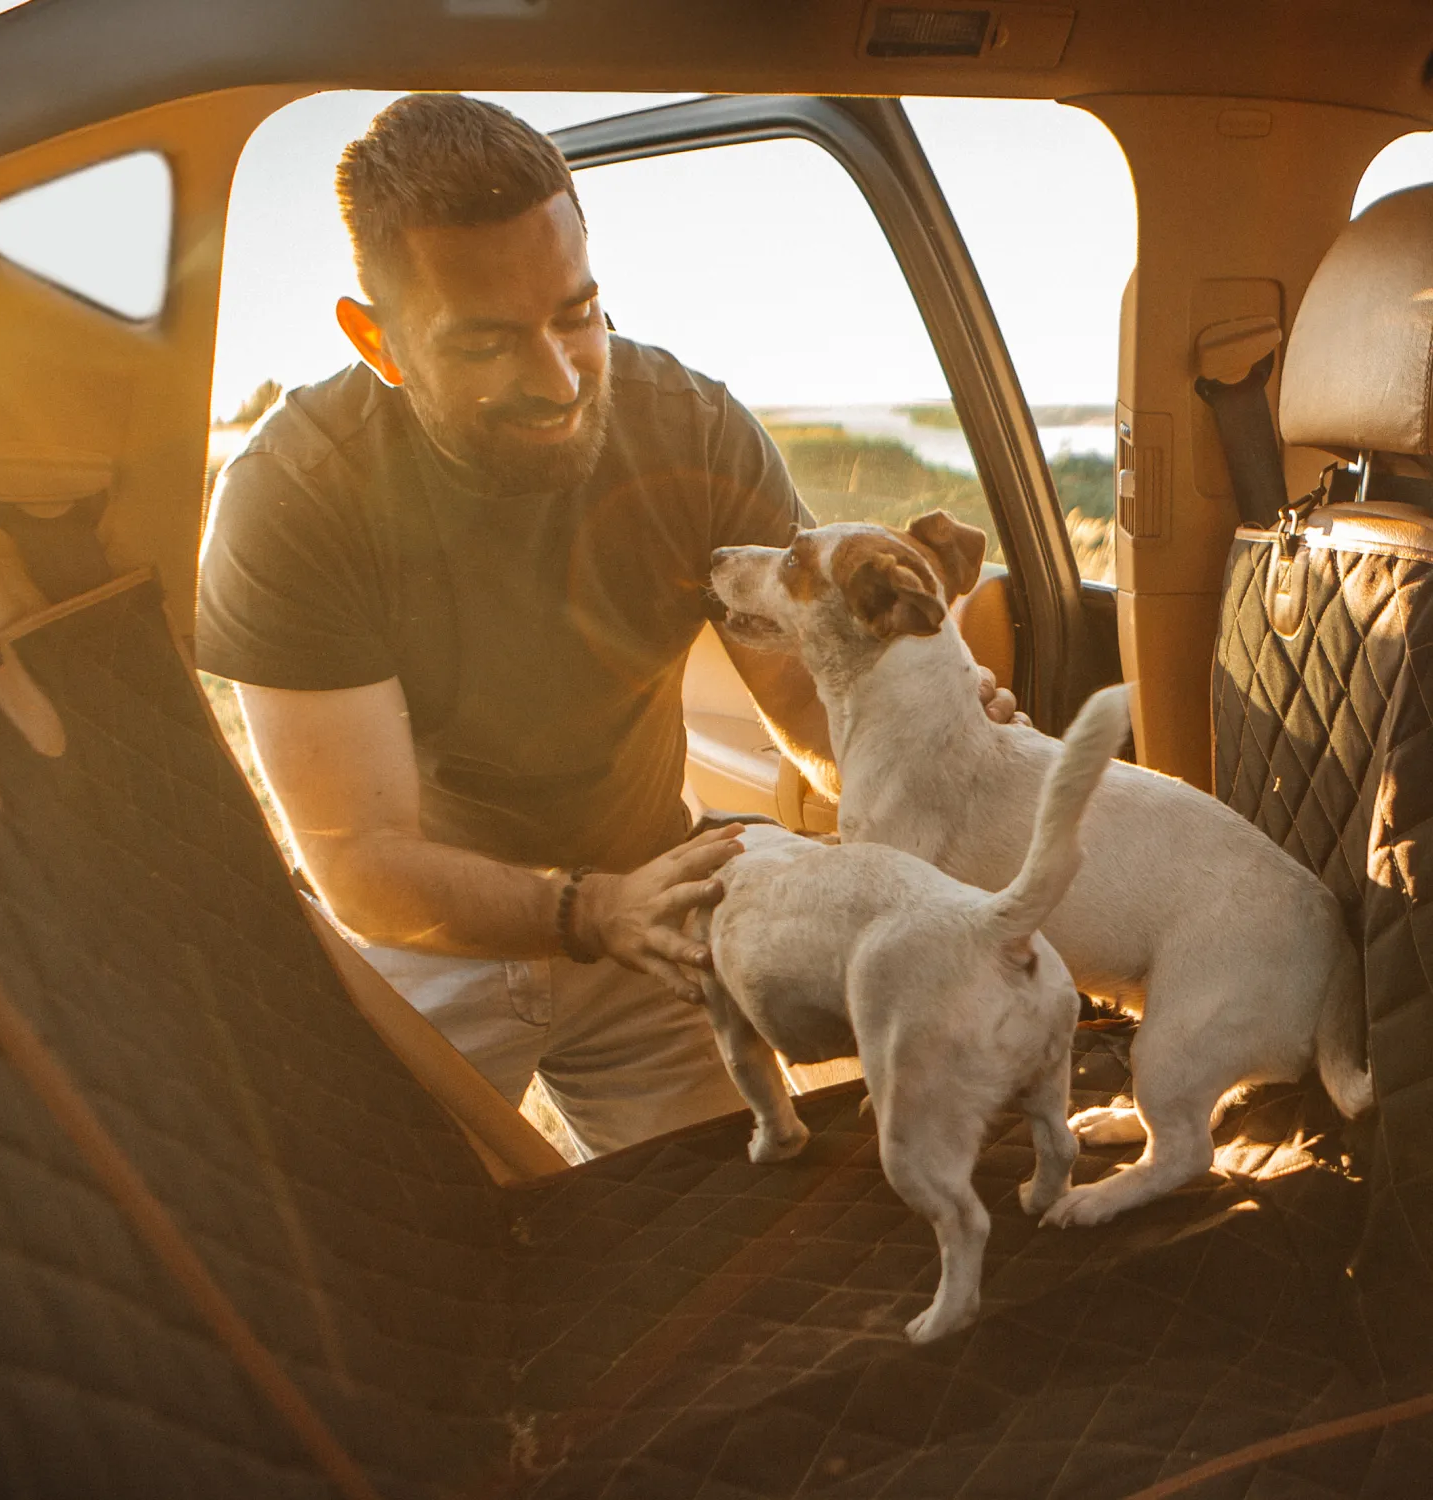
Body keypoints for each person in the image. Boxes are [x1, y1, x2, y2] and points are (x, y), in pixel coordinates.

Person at [196, 94, 1019, 1158]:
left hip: (654, 906)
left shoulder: (692, 428)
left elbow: (811, 711)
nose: (558, 378)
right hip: (424, 936)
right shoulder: (296, 495)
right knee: (378, 1267)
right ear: (379, 340)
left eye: (576, 314)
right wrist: (588, 912)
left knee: (737, 1242)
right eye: (488, 340)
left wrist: (917, 736)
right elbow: (365, 861)